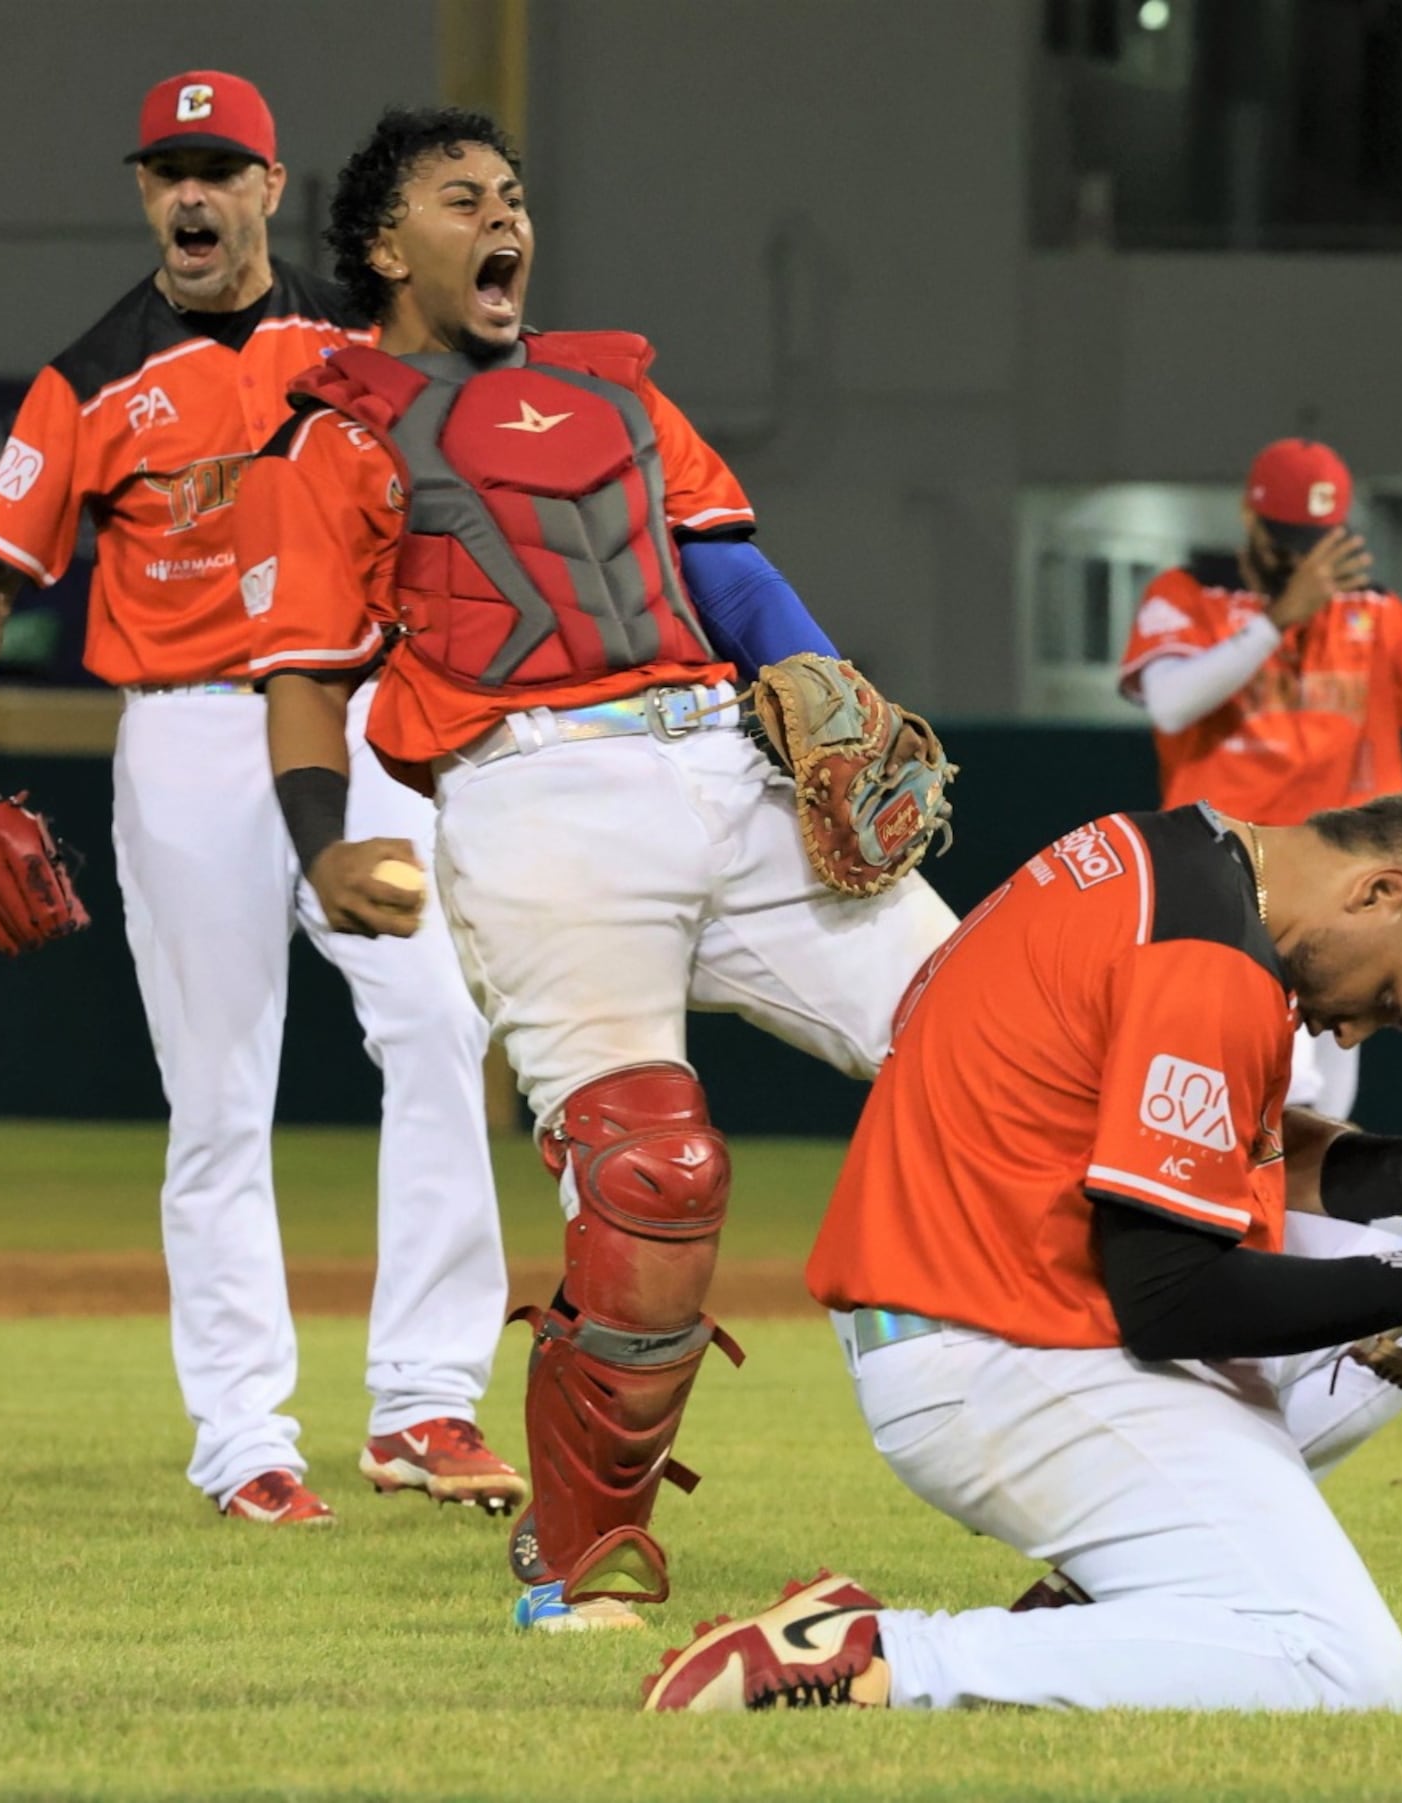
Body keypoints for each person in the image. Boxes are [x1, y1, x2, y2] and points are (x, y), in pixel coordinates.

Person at [236, 107, 960, 1628]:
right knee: (649, 1173)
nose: (503, 218)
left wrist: (831, 688)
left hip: (730, 763)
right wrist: (322, 844)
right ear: (386, 247)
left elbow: (727, 569)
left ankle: (1064, 1428)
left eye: (512, 194)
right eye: (461, 199)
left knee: (996, 1033)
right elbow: (303, 674)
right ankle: (579, 1554)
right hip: (535, 790)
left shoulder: (618, 392)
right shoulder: (335, 436)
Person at [642, 791, 1402, 1713]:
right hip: (1004, 1355)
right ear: (1380, 891)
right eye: (1386, 1001)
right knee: (1343, 1665)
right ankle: (881, 1657)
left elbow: (1236, 1148)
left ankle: (1108, 1598)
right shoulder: (1209, 959)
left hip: (980, 1308)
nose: (1354, 1035)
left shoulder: (1168, 861)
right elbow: (1172, 1302)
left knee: (1395, 1272)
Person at [0, 71, 518, 1528]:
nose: (193, 192)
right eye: (169, 169)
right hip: (185, 733)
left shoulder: (355, 341)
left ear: (268, 188)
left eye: (220, 167)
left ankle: (425, 1398)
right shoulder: (89, 379)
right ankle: (245, 1437)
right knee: (218, 1094)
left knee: (440, 1022)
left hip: (356, 719)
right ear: (145, 193)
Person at [1117, 439, 1402, 1120]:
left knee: (1325, 1106)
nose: (1304, 560)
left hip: (1349, 886)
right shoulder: (1189, 592)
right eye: (1288, 542)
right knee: (1271, 1086)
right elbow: (1170, 702)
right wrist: (1276, 621)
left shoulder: (1370, 608)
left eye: (1316, 543)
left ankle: (1297, 1190)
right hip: (1228, 875)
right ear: (1250, 520)